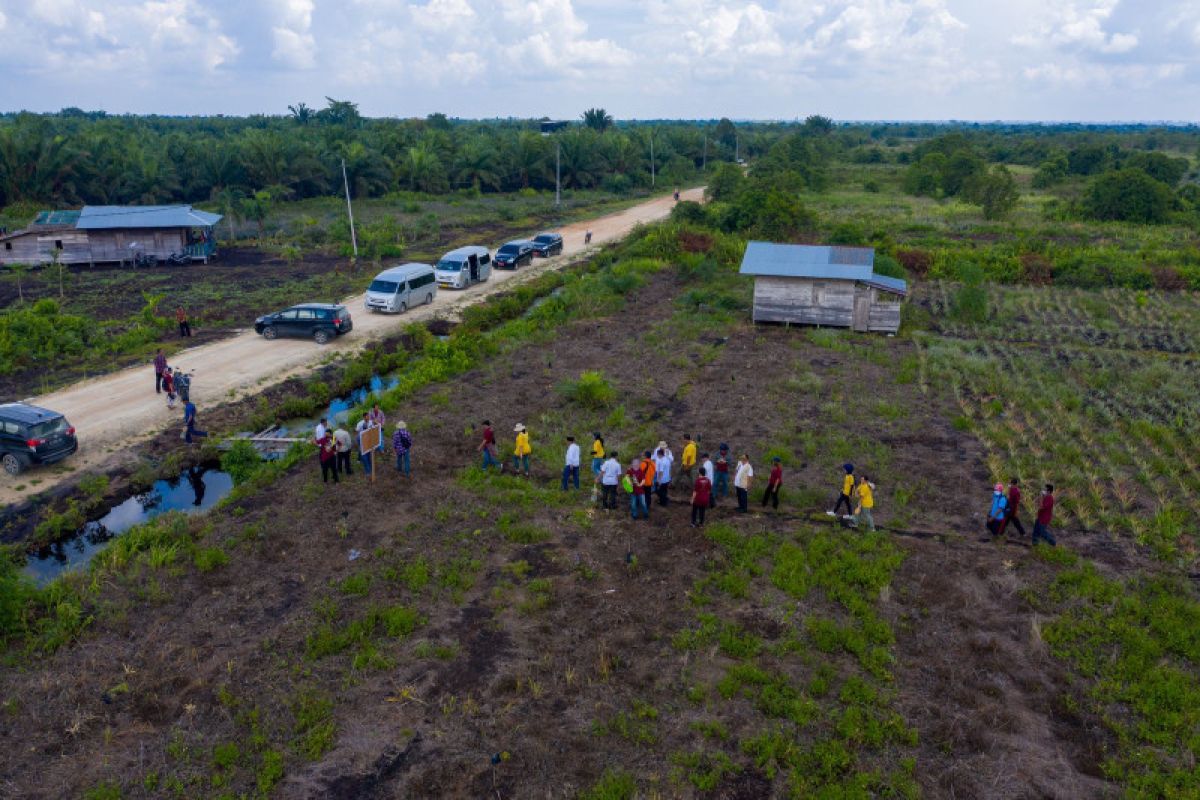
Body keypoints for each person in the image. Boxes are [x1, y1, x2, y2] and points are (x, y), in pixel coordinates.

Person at [639, 450, 656, 516]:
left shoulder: (643, 463)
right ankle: (648, 506)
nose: (642, 456)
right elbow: (654, 473)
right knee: (648, 495)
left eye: (643, 455)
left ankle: (643, 507)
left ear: (645, 456)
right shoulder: (653, 463)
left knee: (642, 495)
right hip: (649, 482)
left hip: (643, 482)